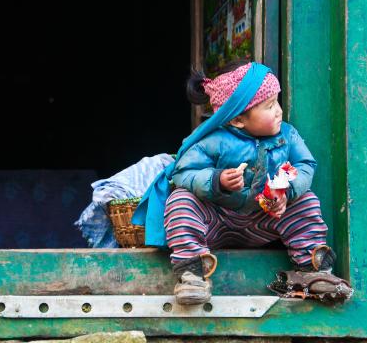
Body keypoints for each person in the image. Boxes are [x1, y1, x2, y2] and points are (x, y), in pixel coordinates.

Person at [133, 61, 353, 305]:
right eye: (270, 106)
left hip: (264, 220)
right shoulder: (213, 140)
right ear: (237, 120)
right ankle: (193, 274)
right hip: (215, 221)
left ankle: (313, 271)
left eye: (277, 102)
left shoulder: (287, 135)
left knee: (306, 200)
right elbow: (183, 173)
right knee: (181, 200)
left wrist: (286, 193)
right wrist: (217, 180)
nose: (279, 111)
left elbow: (305, 166)